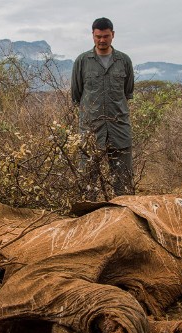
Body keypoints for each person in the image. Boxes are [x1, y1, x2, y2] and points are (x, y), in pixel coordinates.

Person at [71, 17, 135, 200]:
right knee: (87, 186)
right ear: (92, 35)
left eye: (106, 36)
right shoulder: (82, 62)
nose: (102, 40)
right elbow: (76, 95)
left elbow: (127, 92)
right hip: (91, 131)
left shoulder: (124, 61)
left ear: (113, 35)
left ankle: (125, 224)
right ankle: (88, 223)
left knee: (124, 185)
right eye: (98, 36)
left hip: (119, 130)